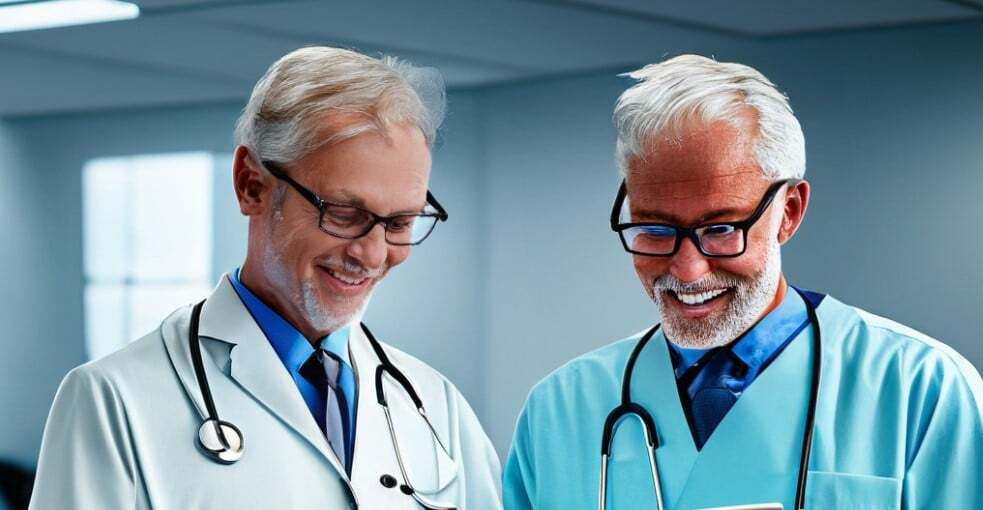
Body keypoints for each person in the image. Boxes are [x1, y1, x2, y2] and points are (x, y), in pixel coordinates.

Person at [503, 55, 983, 509]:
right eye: (655, 230)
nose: (688, 270)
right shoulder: (561, 408)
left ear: (788, 212)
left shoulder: (919, 388)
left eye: (720, 229)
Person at [30, 47, 501, 509]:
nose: (372, 253)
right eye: (343, 213)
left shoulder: (435, 404)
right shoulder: (114, 399)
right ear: (251, 185)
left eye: (399, 223)